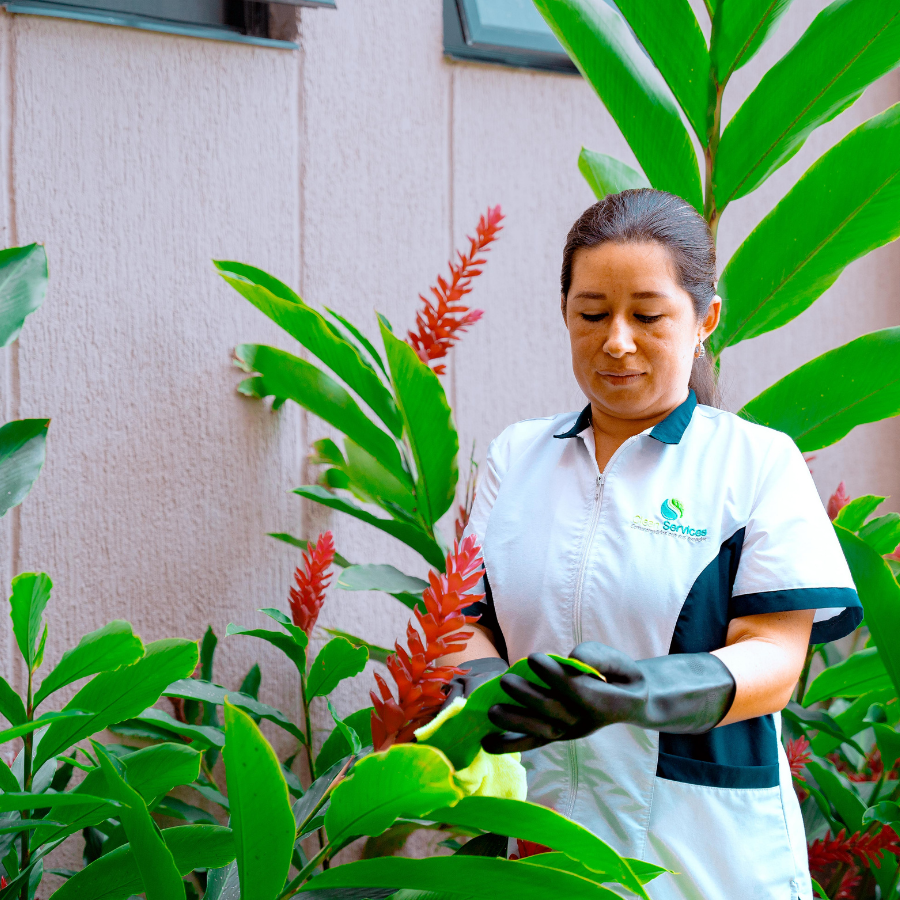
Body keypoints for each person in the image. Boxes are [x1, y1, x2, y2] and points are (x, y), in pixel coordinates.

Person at [441, 189, 862, 900]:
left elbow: (775, 661)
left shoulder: (756, 463)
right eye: (593, 314)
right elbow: (464, 616)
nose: (617, 341)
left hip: (708, 860)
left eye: (647, 315)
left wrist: (641, 695)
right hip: (546, 843)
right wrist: (489, 689)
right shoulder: (518, 456)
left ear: (706, 319)